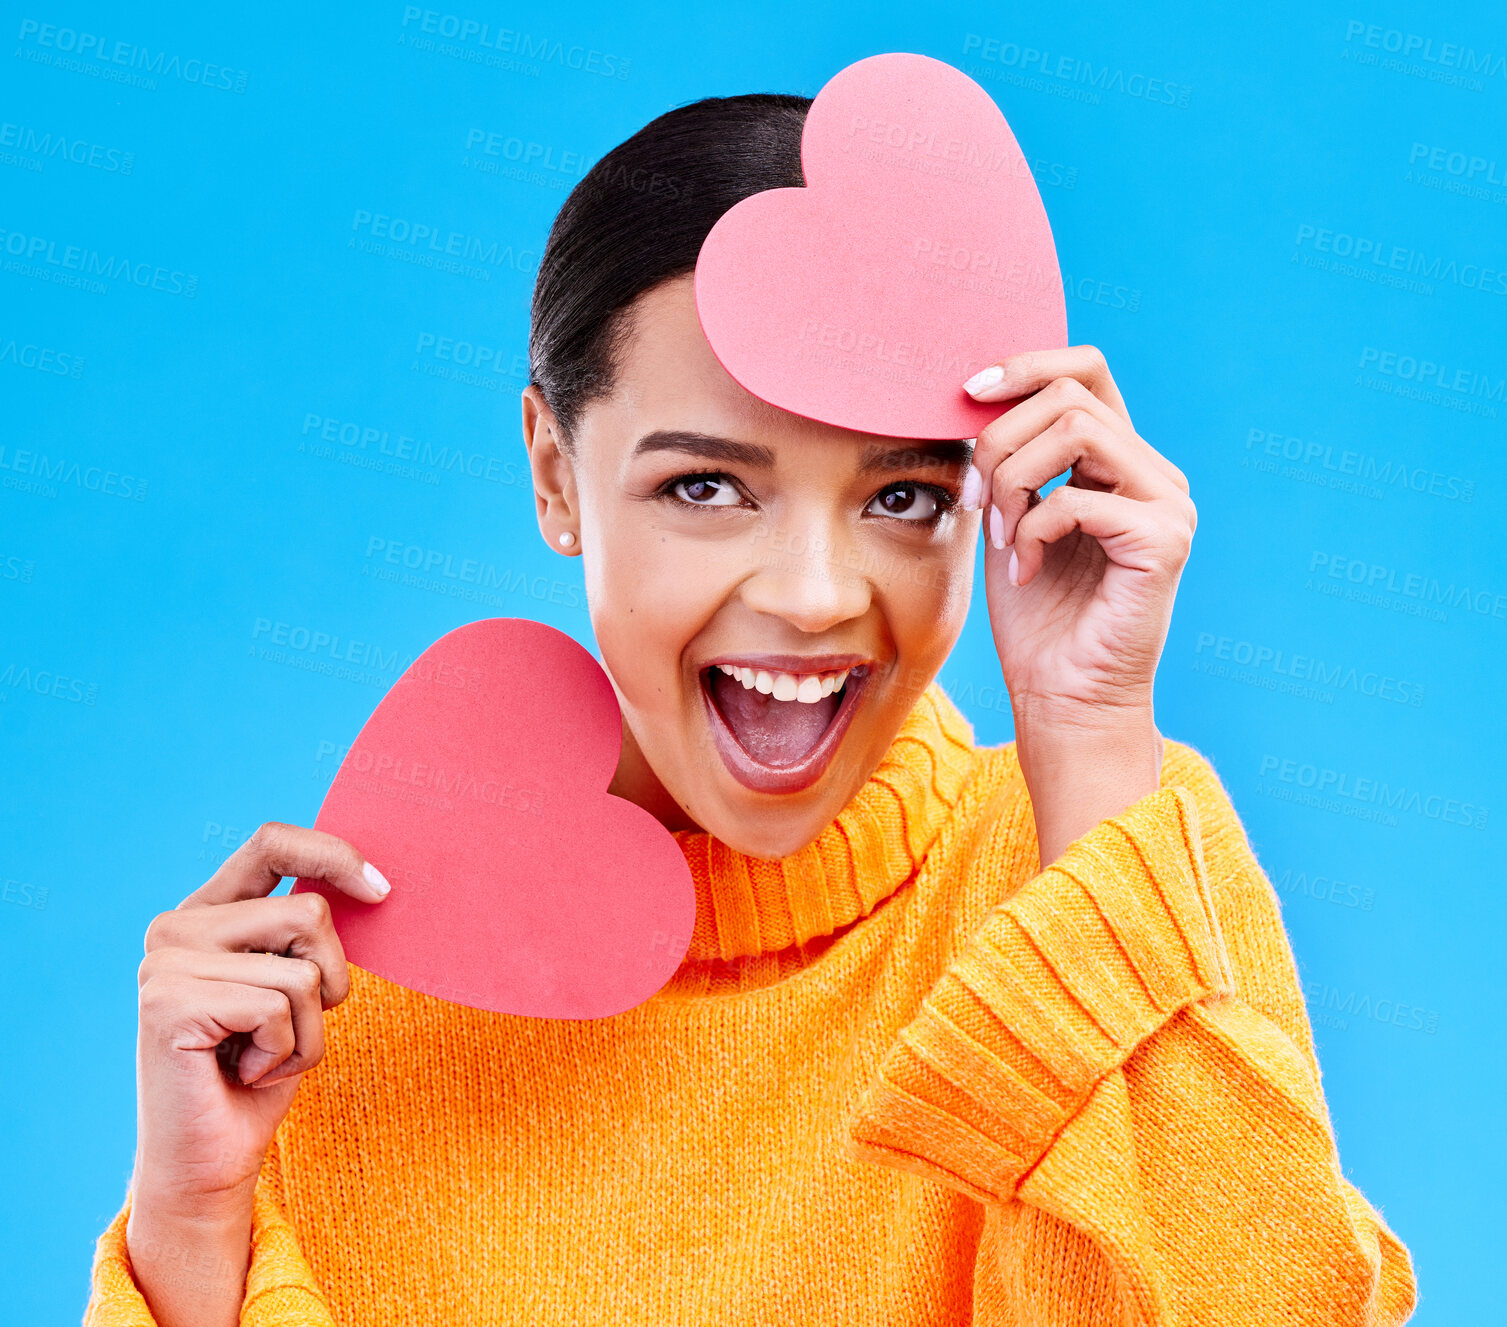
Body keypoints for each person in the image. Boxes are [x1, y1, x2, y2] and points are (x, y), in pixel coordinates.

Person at [86, 92, 1416, 1327]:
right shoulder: (375, 983)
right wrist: (194, 1226)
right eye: (707, 488)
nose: (818, 597)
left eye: (903, 498)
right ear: (554, 475)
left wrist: (1088, 727)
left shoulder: (1107, 856)